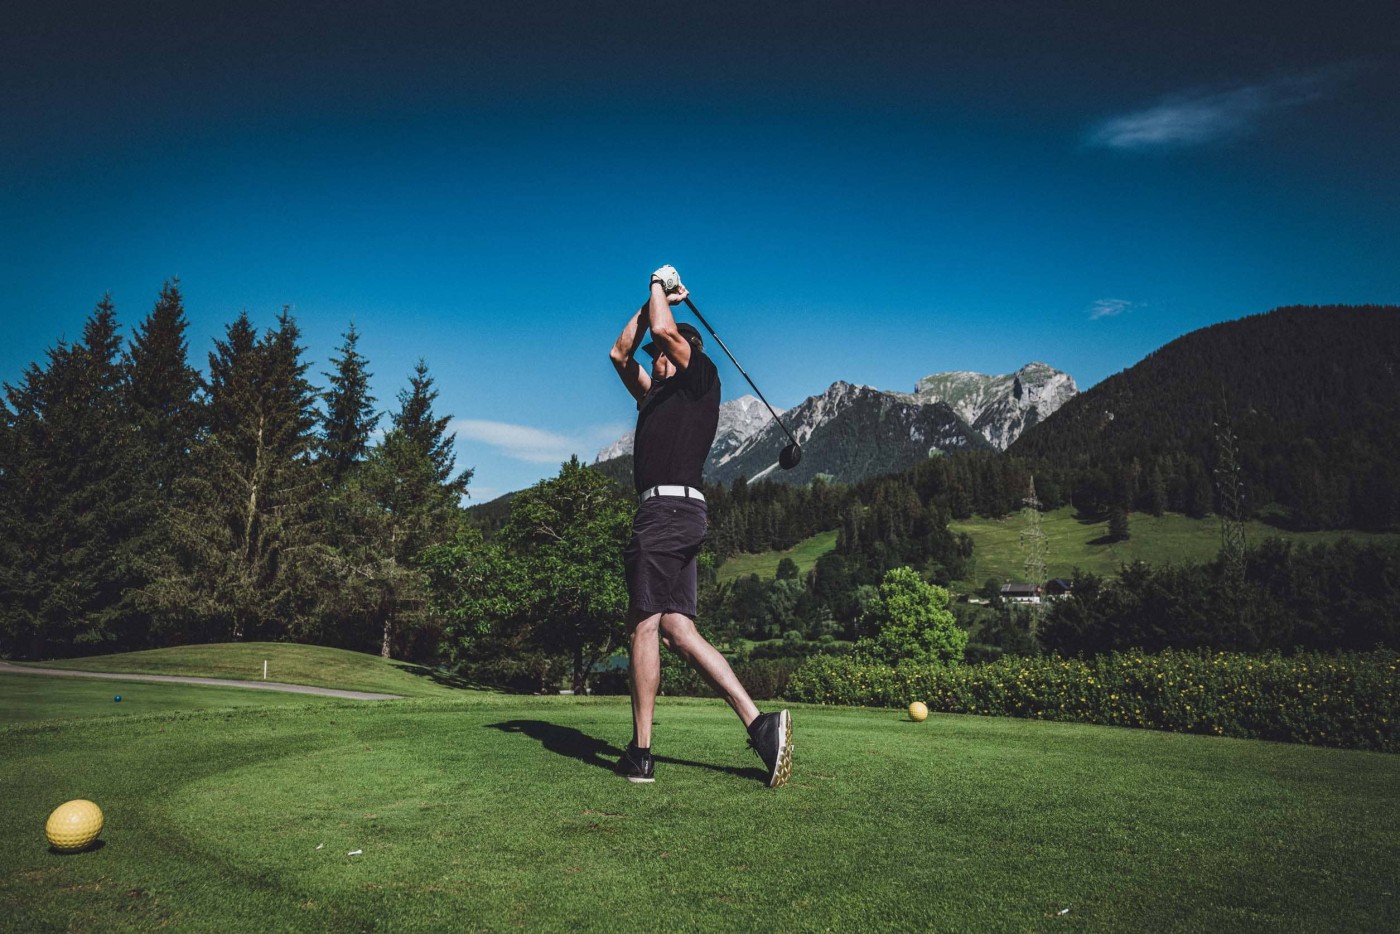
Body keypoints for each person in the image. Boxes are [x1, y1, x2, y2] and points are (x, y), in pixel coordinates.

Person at [608, 265, 792, 787]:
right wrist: (652, 300)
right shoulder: (652, 395)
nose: (654, 357)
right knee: (677, 630)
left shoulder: (701, 378)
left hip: (665, 513)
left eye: (661, 353)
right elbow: (619, 354)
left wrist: (658, 284)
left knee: (642, 623)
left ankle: (641, 753)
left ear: (684, 352)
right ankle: (760, 725)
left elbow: (665, 330)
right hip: (677, 516)